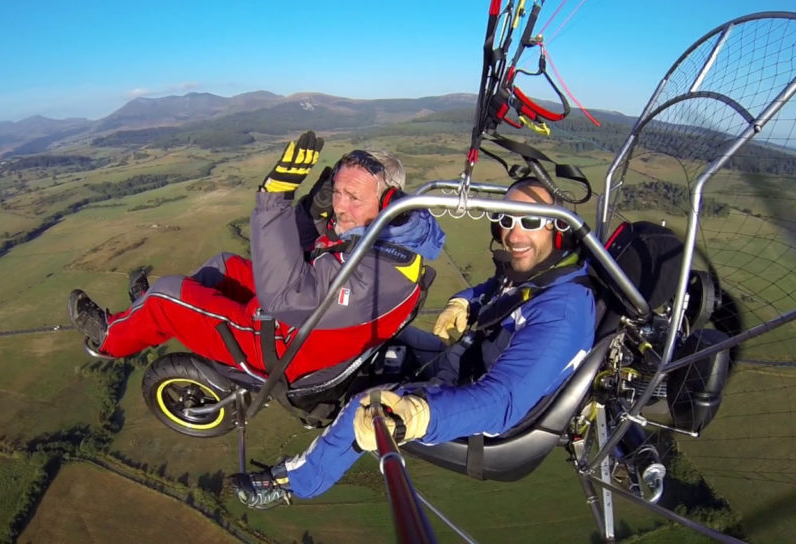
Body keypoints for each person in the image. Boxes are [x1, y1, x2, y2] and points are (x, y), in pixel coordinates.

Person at [229, 178, 597, 509]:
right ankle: (322, 380)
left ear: (557, 227)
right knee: (385, 334)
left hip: (475, 410)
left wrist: (416, 415)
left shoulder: (562, 313)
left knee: (364, 409)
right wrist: (464, 300)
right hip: (467, 361)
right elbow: (501, 288)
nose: (515, 235)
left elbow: (503, 402)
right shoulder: (546, 271)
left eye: (530, 221)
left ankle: (293, 482)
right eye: (507, 219)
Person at [67, 131, 446, 383]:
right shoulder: (386, 235)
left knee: (168, 296)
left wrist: (273, 201)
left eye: (353, 197)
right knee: (224, 267)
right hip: (308, 324)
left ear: (388, 202)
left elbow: (285, 298)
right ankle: (144, 315)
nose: (340, 206)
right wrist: (310, 214)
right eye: (338, 192)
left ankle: (112, 337)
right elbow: (305, 255)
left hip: (286, 349)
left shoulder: (371, 276)